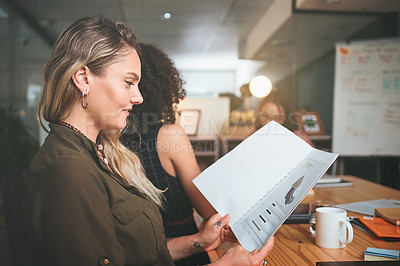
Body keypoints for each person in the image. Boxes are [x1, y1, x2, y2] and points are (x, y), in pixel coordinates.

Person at [19, 16, 274, 266]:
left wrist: (197, 240)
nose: (138, 97)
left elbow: (132, 255)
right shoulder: (67, 168)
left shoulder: (101, 153)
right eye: (128, 82)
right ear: (84, 78)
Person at [121, 43, 216, 265]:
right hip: (186, 247)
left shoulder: (112, 140)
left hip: (140, 250)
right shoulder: (169, 135)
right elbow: (207, 209)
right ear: (164, 85)